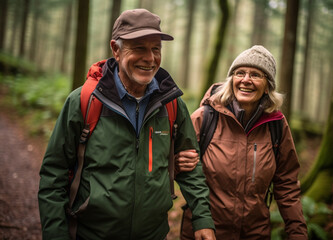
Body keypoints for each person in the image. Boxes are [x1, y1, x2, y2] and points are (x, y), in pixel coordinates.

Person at [38, 8, 215, 240]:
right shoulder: (84, 102)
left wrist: (202, 218)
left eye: (155, 49)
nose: (150, 58)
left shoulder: (172, 104)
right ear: (116, 50)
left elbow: (190, 166)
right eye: (139, 48)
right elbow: (53, 175)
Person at [178, 45, 308, 239]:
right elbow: (175, 164)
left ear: (267, 87)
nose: (246, 80)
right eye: (240, 73)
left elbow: (287, 184)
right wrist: (176, 163)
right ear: (231, 80)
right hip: (206, 233)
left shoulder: (277, 126)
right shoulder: (205, 118)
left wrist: (297, 232)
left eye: (256, 75)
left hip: (255, 234)